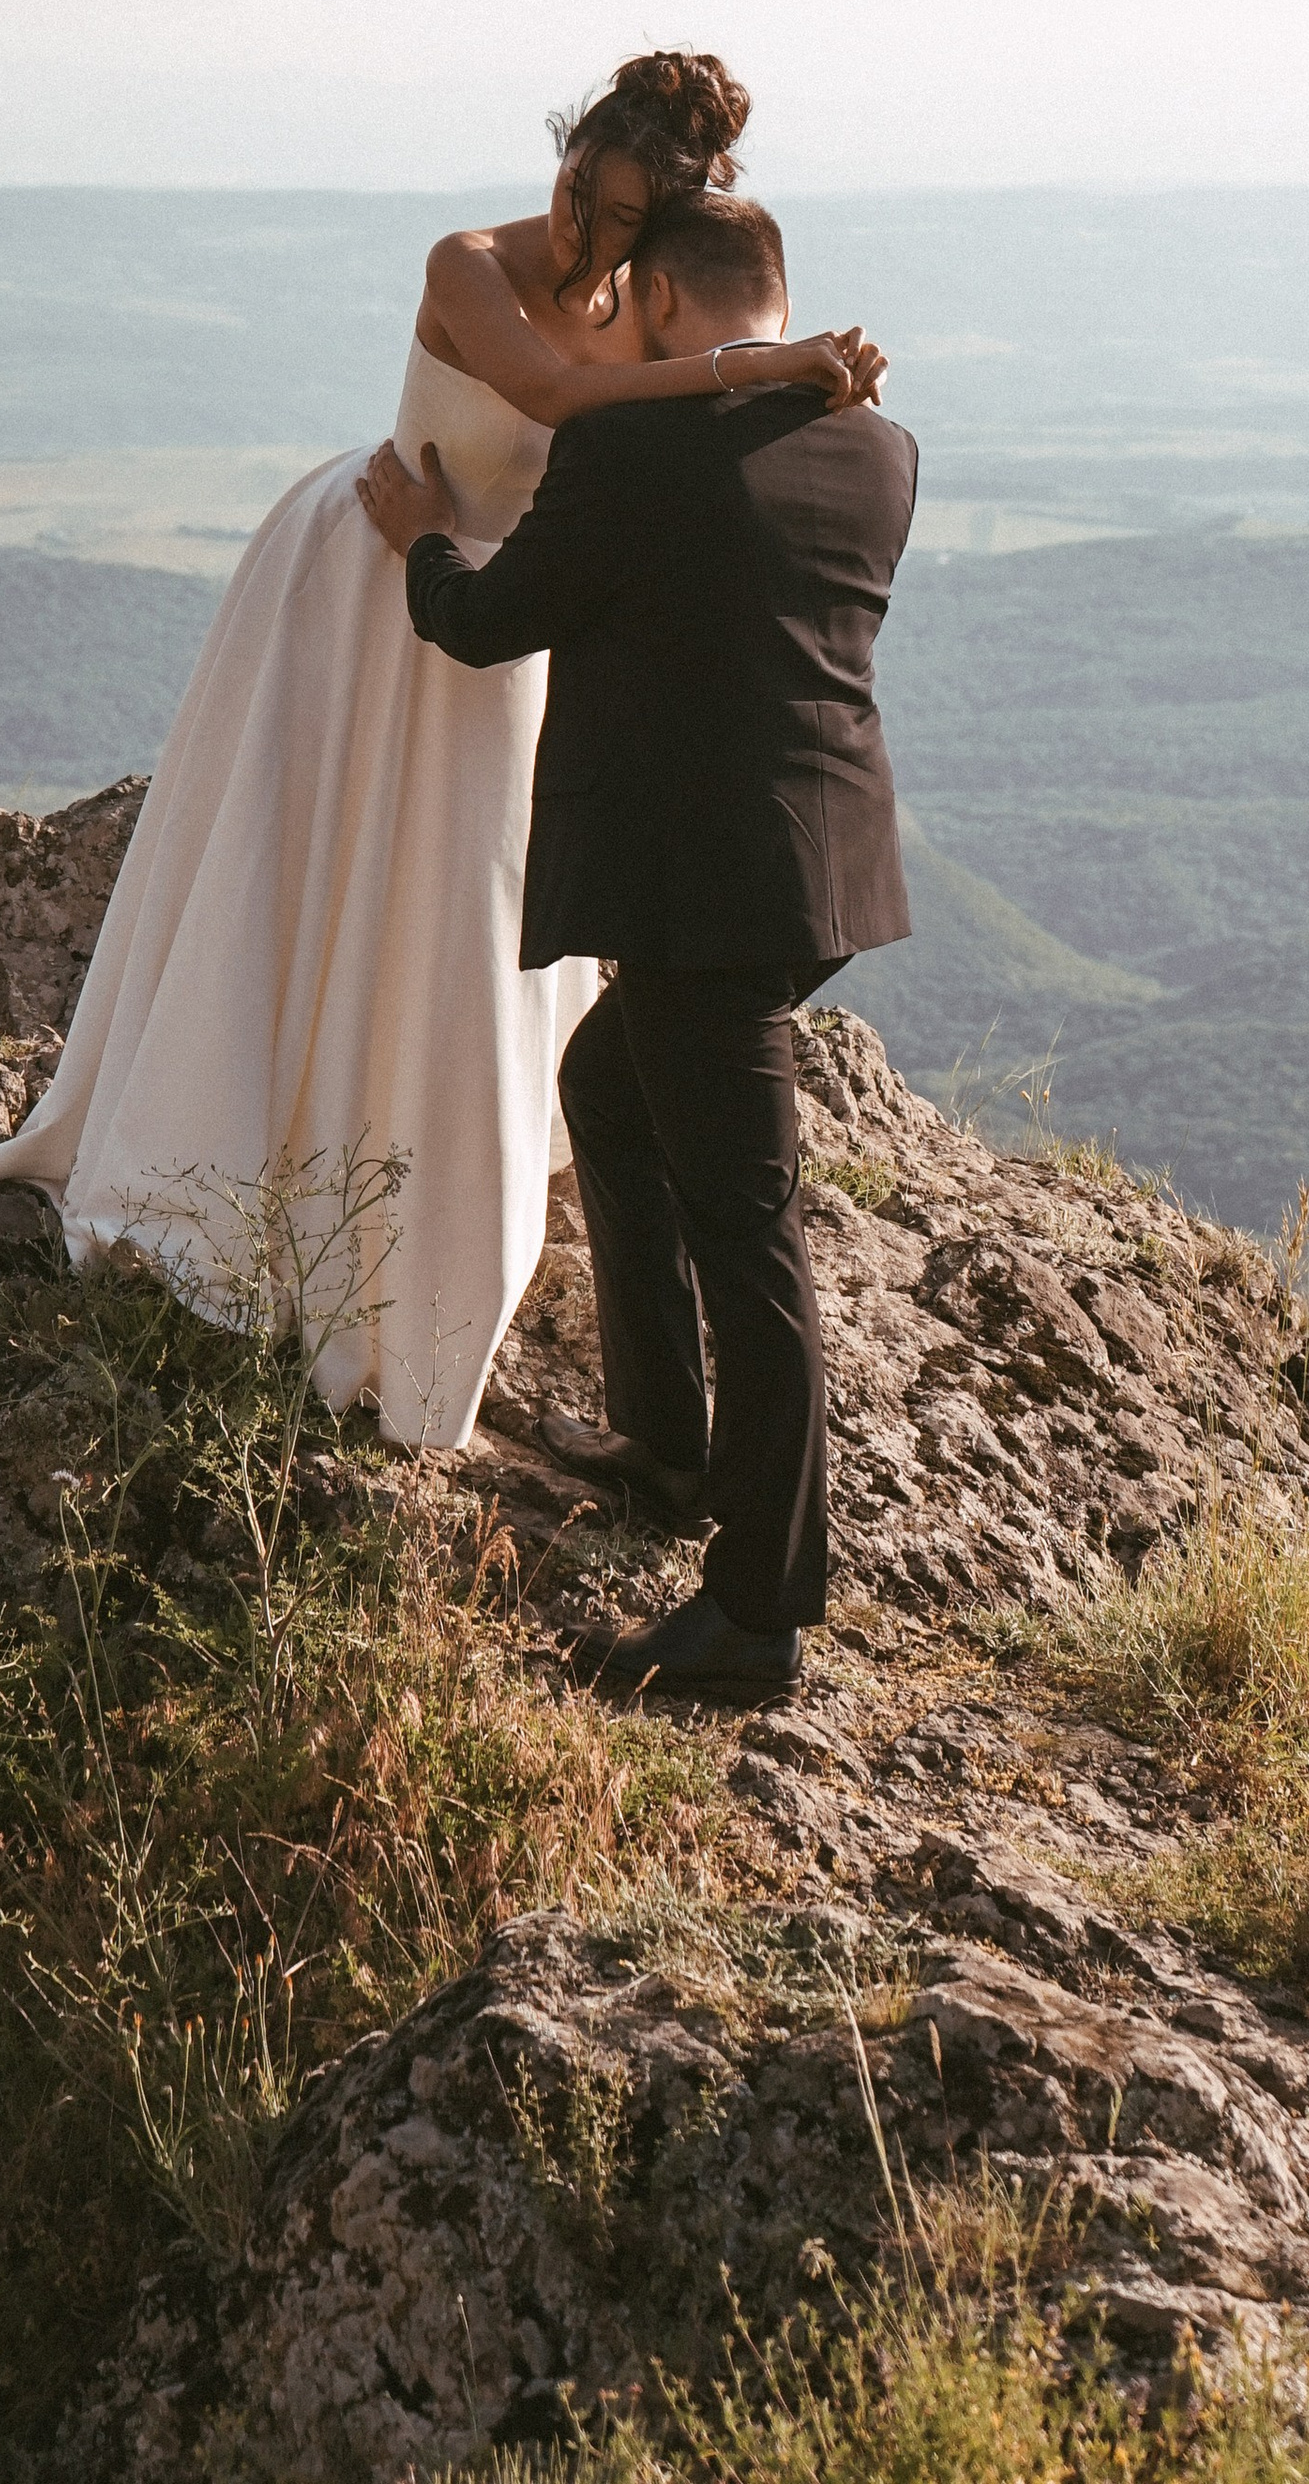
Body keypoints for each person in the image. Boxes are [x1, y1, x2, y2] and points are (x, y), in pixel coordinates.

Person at [0, 52, 885, 1451]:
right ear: (568, 159)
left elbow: (664, 449)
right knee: (312, 878)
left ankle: (426, 1181)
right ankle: (260, 1144)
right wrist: (772, 362)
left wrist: (793, 390)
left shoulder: (648, 306)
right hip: (381, 575)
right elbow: (554, 400)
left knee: (463, 918)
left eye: (633, 226)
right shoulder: (469, 264)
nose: (595, 242)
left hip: (506, 618)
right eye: (589, 200)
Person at [356, 189, 917, 1692]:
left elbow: (491, 624)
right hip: (823, 875)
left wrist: (423, 542)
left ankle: (756, 1612)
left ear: (663, 301)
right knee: (609, 1092)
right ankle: (667, 1447)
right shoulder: (880, 449)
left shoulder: (636, 444)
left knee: (753, 1233)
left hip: (699, 891)